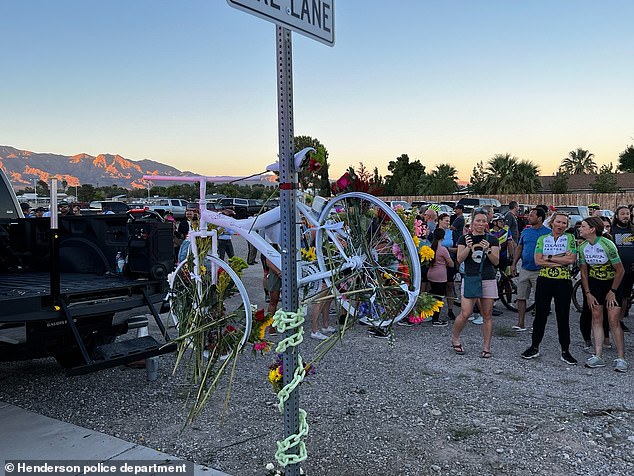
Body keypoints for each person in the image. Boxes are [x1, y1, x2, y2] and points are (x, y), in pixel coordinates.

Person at [521, 212, 578, 365]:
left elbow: (571, 259)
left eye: (564, 223)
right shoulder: (542, 239)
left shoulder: (570, 238)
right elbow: (538, 261)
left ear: (567, 226)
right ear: (552, 223)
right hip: (545, 280)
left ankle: (565, 350)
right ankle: (534, 347)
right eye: (558, 222)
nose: (560, 225)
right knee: (540, 314)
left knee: (563, 316)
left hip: (563, 281)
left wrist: (550, 258)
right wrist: (560, 259)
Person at [579, 216, 628, 372]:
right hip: (595, 284)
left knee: (613, 320)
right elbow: (584, 272)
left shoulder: (608, 244)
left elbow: (620, 270)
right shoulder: (582, 247)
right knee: (596, 318)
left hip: (613, 283)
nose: (580, 228)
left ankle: (621, 358)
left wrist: (613, 291)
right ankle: (598, 355)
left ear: (592, 229)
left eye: (583, 226)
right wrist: (587, 293)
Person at [450, 208, 500, 358]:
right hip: (471, 277)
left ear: (487, 223)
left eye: (483, 221)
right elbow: (459, 259)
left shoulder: (492, 239)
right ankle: (455, 338)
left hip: (488, 277)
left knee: (487, 314)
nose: (481, 223)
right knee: (465, 313)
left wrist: (488, 250)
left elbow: (496, 261)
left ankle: (486, 347)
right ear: (472, 223)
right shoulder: (464, 238)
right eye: (478, 220)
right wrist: (470, 248)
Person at [510, 208, 550, 331]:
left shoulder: (548, 233)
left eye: (532, 215)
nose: (528, 217)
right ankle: (520, 323)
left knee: (539, 298)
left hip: (540, 270)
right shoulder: (526, 232)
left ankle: (537, 325)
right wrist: (514, 264)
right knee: (521, 297)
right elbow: (520, 247)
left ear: (540, 218)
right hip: (525, 269)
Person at [611, 206, 633, 330]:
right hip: (615, 271)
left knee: (625, 296)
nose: (626, 216)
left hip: (630, 271)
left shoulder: (632, 230)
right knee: (614, 295)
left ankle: (620, 320)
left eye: (628, 214)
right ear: (617, 216)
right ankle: (611, 320)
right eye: (623, 214)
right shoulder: (611, 231)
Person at [427, 227, 454, 326]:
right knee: (439, 298)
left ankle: (430, 314)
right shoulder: (443, 249)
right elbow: (451, 263)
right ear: (443, 237)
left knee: (432, 295)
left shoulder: (430, 247)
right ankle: (436, 319)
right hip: (440, 275)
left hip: (431, 273)